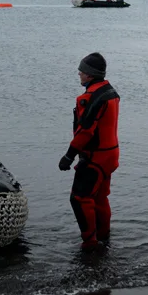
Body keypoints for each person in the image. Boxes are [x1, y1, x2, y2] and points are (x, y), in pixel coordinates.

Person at [59, 52, 120, 250]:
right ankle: (105, 238)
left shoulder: (90, 98)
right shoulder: (110, 92)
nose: (79, 73)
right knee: (100, 197)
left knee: (79, 198)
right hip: (110, 155)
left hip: (95, 158)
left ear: (91, 74)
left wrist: (68, 156)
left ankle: (91, 244)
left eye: (82, 71)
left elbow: (85, 131)